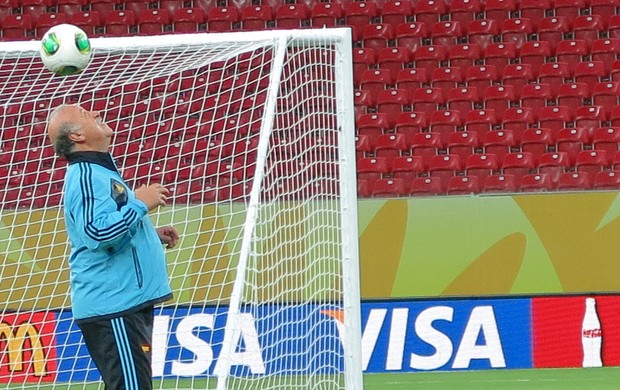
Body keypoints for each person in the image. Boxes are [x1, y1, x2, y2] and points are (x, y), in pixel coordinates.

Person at [47, 103, 179, 390]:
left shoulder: (98, 171)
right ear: (77, 137)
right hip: (115, 306)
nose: (94, 113)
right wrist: (140, 202)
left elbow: (105, 224)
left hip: (125, 303)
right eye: (85, 114)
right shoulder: (85, 177)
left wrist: (148, 235)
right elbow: (96, 233)